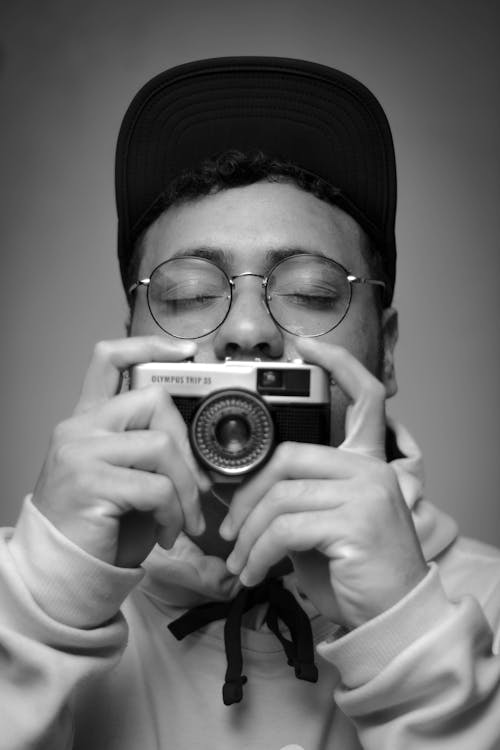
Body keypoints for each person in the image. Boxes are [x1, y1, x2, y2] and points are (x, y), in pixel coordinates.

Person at [1, 57, 499, 750]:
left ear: (385, 352)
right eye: (190, 295)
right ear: (131, 341)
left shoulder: (488, 608)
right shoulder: (14, 598)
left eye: (311, 291)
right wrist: (40, 601)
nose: (245, 329)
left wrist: (409, 637)